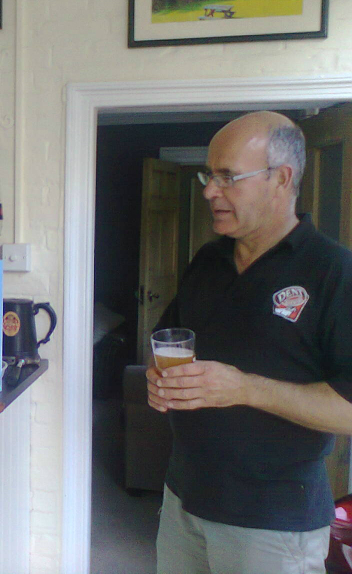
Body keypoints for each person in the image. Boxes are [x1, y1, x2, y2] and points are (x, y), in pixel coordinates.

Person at [147, 111, 352, 574]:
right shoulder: (208, 260)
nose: (209, 191)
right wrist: (158, 380)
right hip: (182, 499)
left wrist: (244, 388)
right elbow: (168, 341)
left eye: (227, 177)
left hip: (273, 523)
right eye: (209, 176)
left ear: (282, 178)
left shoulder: (334, 272)